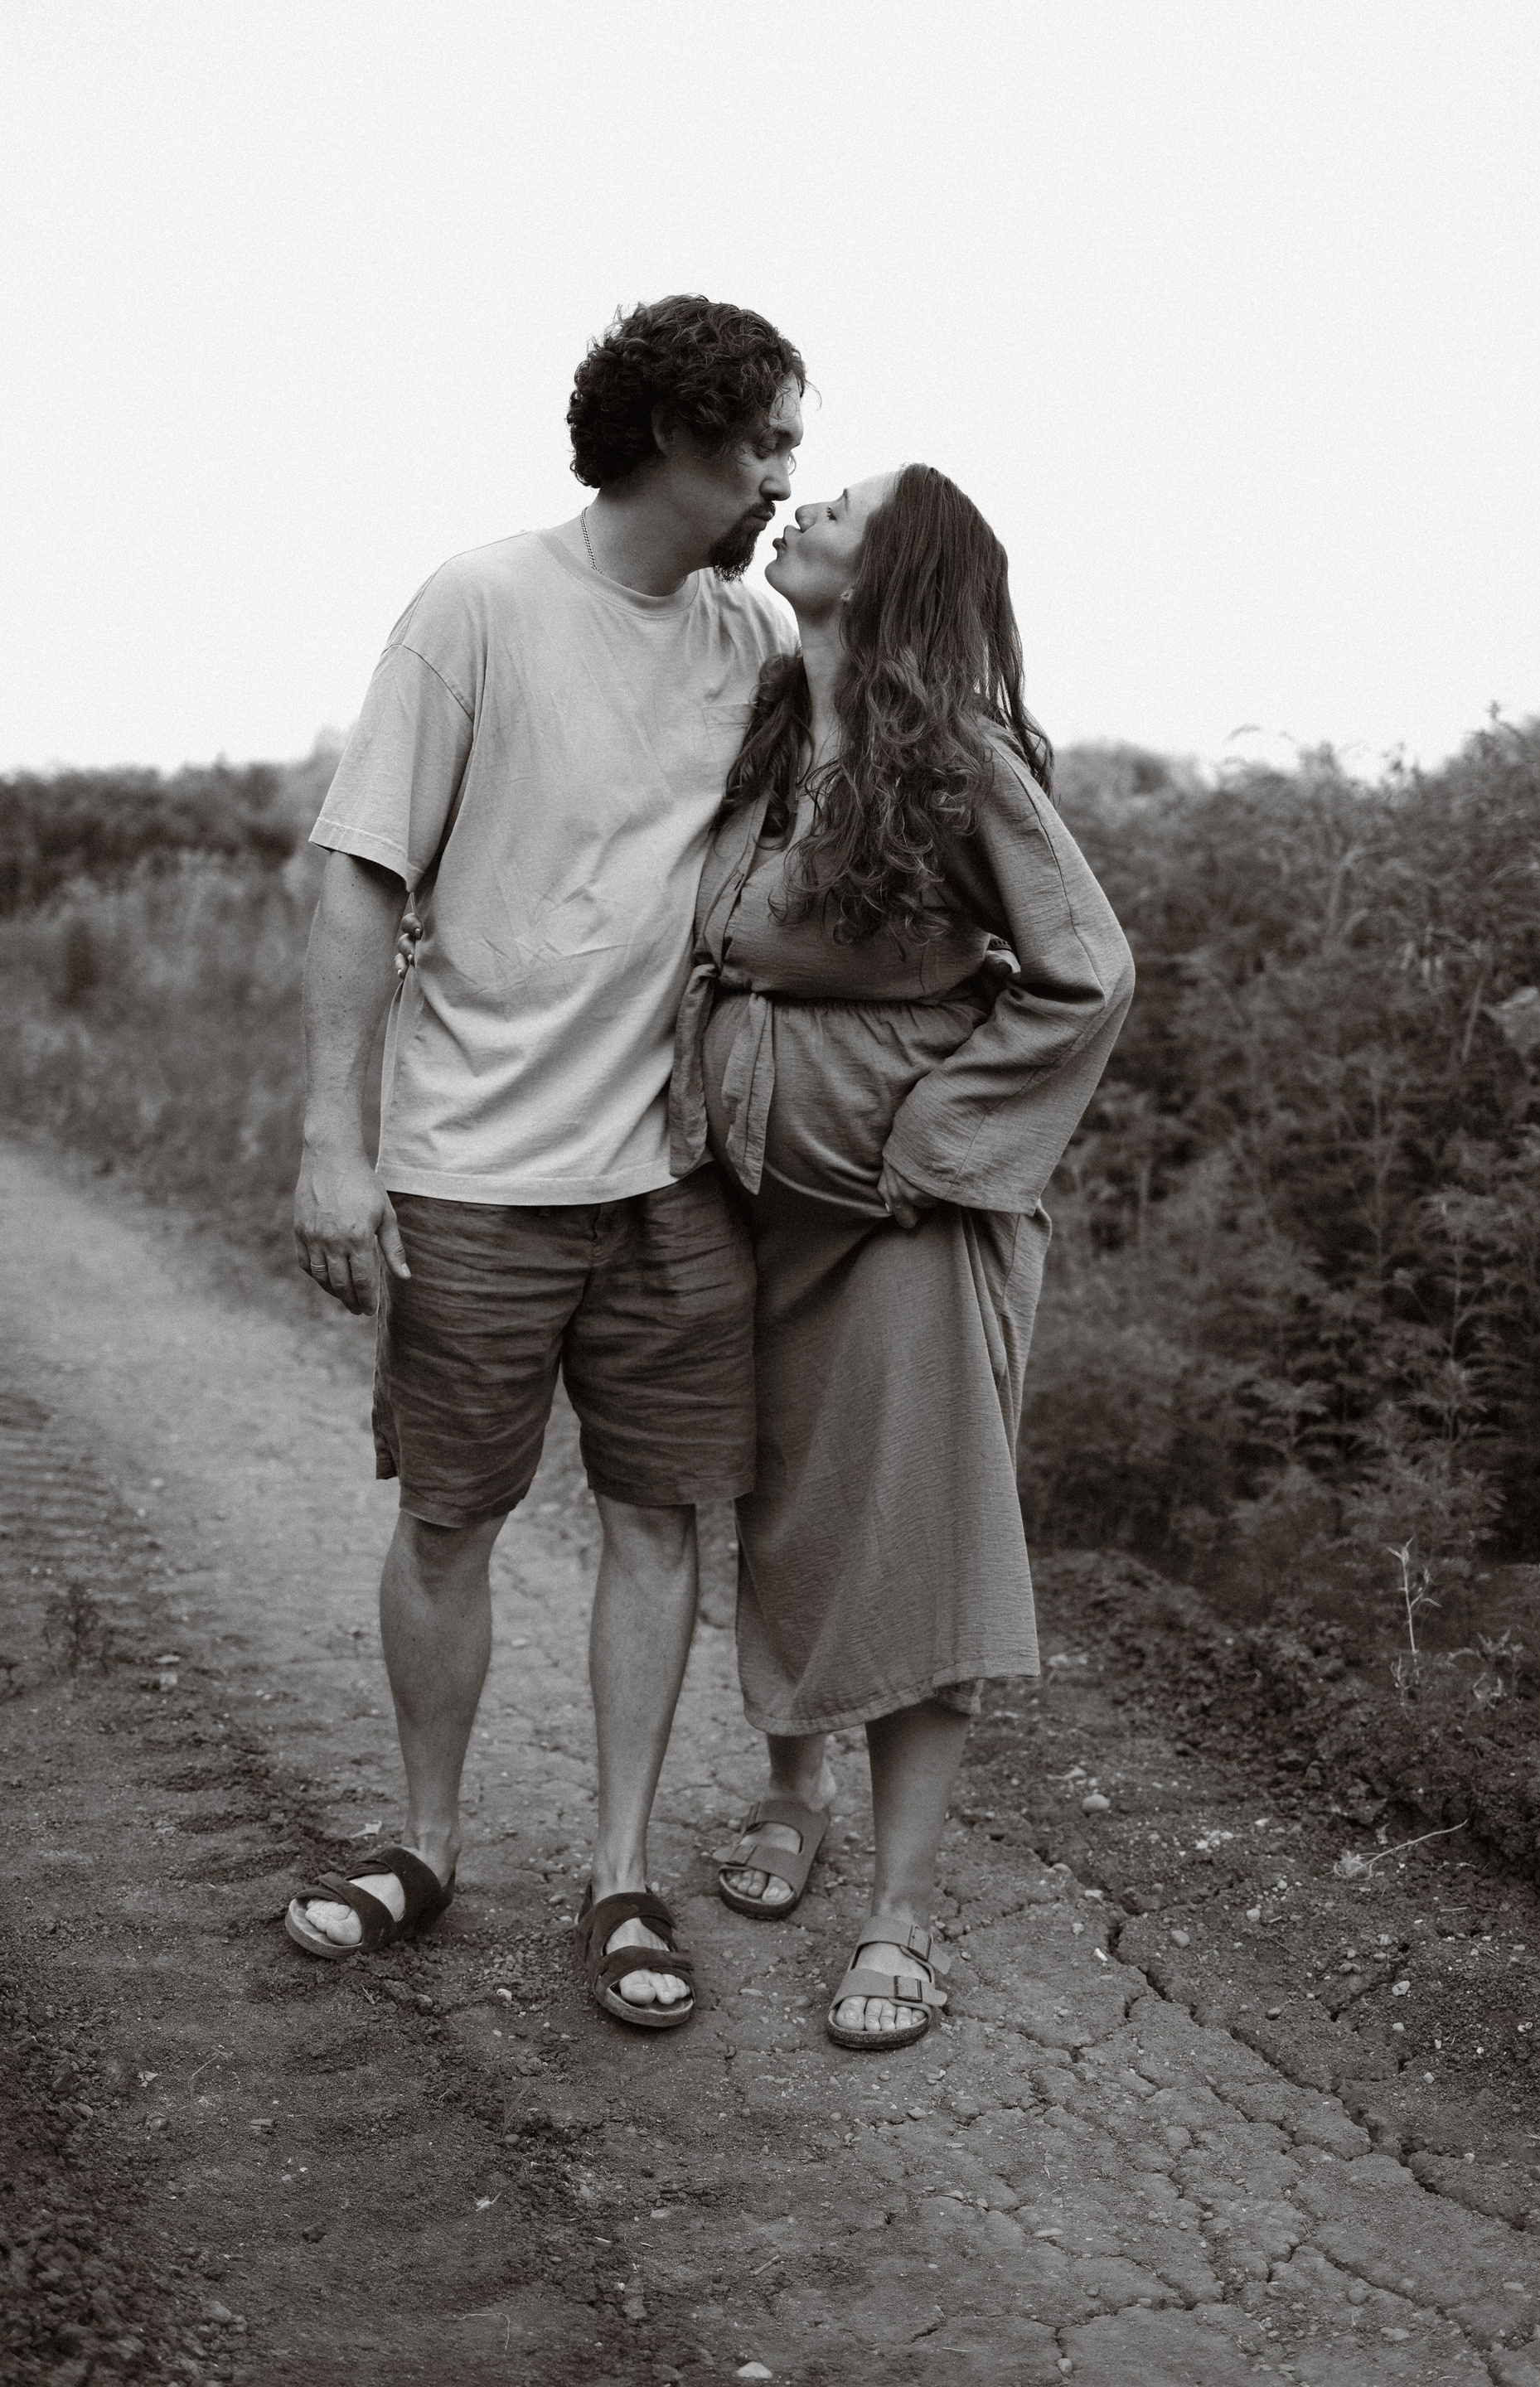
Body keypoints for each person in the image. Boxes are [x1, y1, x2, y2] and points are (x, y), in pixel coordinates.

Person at [284, 295, 805, 2029]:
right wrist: (334, 1141)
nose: (783, 479)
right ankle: (424, 1845)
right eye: (764, 443)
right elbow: (364, 870)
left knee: (660, 1524)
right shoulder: (481, 604)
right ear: (672, 437)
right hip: (472, 1172)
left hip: (674, 1179)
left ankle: (621, 1878)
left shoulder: (759, 638)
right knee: (451, 1518)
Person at [672, 465, 1134, 2047]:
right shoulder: (773, 739)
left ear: (892, 573)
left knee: (921, 1538)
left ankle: (904, 1914)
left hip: (903, 1229)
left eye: (842, 510)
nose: (803, 511)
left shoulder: (955, 758)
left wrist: (937, 1141)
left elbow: (1089, 970)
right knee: (788, 1511)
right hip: (761, 1207)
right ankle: (792, 1798)